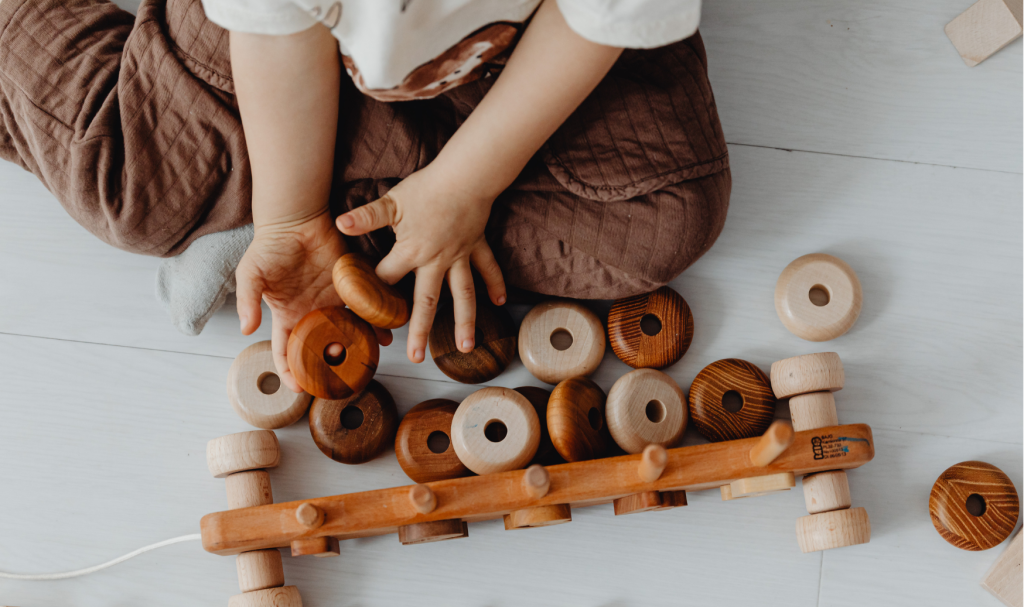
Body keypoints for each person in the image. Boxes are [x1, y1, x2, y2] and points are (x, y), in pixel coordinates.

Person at [0, 0, 731, 391]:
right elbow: (274, 29)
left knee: (664, 223)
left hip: (525, 52)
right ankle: (340, 209)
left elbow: (599, 16)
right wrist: (287, 215)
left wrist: (465, 184)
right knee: (131, 193)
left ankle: (367, 205)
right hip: (286, 40)